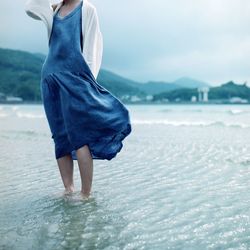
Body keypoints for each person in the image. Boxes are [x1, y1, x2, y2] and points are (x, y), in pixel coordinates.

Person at [24, 0, 132, 199]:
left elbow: (92, 49)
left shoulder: (87, 9)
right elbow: (30, 8)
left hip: (75, 79)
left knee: (79, 137)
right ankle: (68, 189)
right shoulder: (52, 11)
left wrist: (87, 83)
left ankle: (85, 193)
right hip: (49, 79)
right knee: (60, 136)